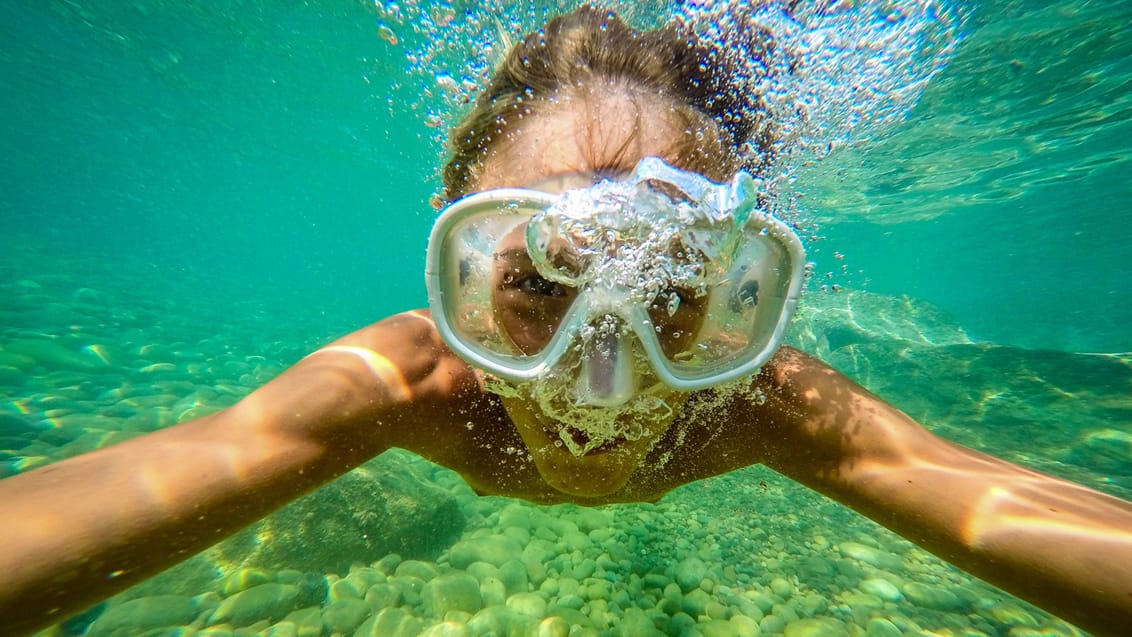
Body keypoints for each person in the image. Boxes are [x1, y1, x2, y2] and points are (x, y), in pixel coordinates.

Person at [2, 6, 1131, 636]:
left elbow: (1000, 505)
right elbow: (181, 464)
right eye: (539, 285)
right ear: (464, 267)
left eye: (673, 295)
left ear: (747, 296)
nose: (604, 384)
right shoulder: (412, 379)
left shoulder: (760, 397)